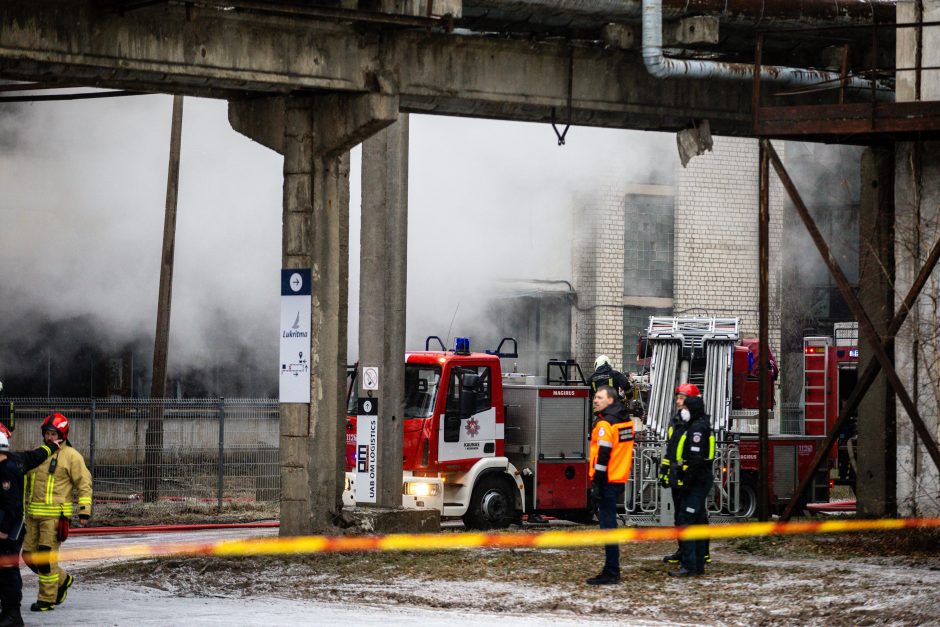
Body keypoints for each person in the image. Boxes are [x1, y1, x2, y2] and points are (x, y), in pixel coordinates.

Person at [22, 413, 92, 613]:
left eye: (54, 433)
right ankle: (63, 580)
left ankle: (47, 599)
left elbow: (84, 484)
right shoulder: (39, 454)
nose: (50, 437)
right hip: (33, 515)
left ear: (63, 434)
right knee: (28, 556)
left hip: (55, 517)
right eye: (47, 433)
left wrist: (84, 511)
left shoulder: (71, 456)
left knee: (45, 559)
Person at [0, 423, 59, 627]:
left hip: (9, 532)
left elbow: (12, 506)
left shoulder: (7, 469)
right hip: (10, 529)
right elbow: (38, 454)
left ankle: (12, 615)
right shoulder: (18, 460)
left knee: (8, 572)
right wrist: (53, 446)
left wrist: (4, 530)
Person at [585, 386, 635, 585]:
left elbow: (603, 455)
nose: (595, 400)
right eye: (595, 397)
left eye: (600, 397)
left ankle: (611, 571)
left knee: (608, 527)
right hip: (618, 479)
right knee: (609, 525)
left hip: (606, 480)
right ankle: (611, 568)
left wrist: (596, 482)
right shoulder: (626, 422)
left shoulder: (605, 423)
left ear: (611, 400)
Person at [660, 384, 710, 567]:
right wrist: (665, 470)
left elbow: (696, 456)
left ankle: (702, 553)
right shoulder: (677, 421)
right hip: (677, 475)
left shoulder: (696, 424)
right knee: (679, 516)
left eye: (683, 398)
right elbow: (672, 448)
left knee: (696, 516)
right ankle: (684, 550)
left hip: (690, 477)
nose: (679, 402)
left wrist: (687, 476)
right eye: (678, 398)